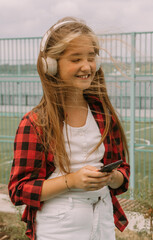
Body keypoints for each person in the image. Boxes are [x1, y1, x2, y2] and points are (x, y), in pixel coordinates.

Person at [8, 17, 130, 240]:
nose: (87, 66)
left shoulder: (104, 114)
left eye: (91, 58)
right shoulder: (35, 122)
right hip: (58, 229)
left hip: (102, 223)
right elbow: (19, 190)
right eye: (76, 59)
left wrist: (111, 177)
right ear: (51, 65)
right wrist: (71, 181)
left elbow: (124, 174)